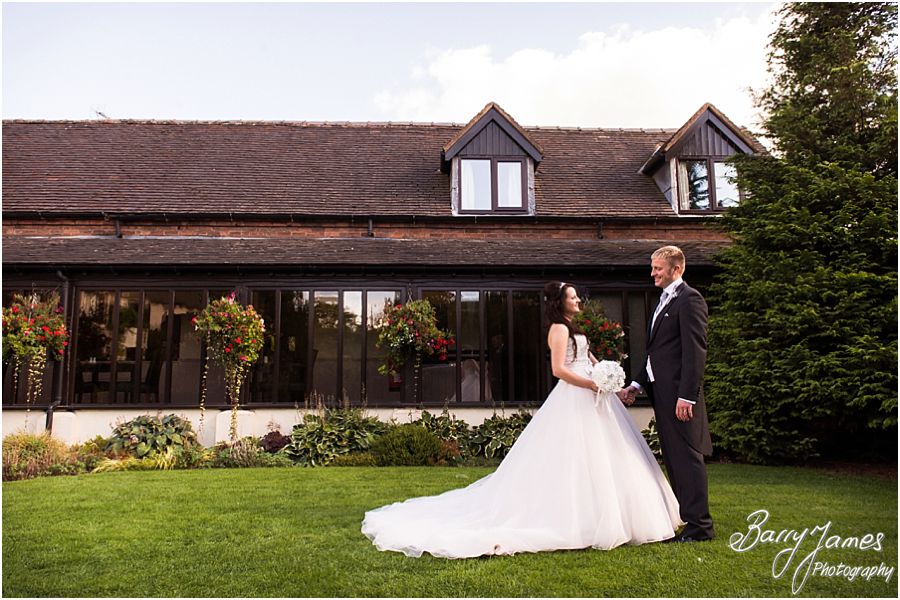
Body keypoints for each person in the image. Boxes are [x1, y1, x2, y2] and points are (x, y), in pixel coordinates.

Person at [361, 282, 683, 559]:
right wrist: (591, 383)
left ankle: (622, 514)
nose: (578, 301)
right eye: (573, 298)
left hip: (597, 396)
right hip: (575, 396)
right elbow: (559, 370)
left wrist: (605, 374)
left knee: (609, 453)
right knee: (576, 456)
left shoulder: (576, 328)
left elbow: (586, 358)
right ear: (561, 303)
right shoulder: (558, 329)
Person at [618, 245, 714, 542]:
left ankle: (701, 527)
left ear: (677, 269)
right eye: (653, 267)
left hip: (680, 399)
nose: (653, 273)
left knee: (687, 457)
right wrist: (636, 385)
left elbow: (694, 351)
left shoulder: (690, 299)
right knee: (674, 458)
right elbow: (657, 354)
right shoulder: (663, 301)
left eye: (658, 268)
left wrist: (688, 396)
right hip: (662, 394)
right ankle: (690, 520)